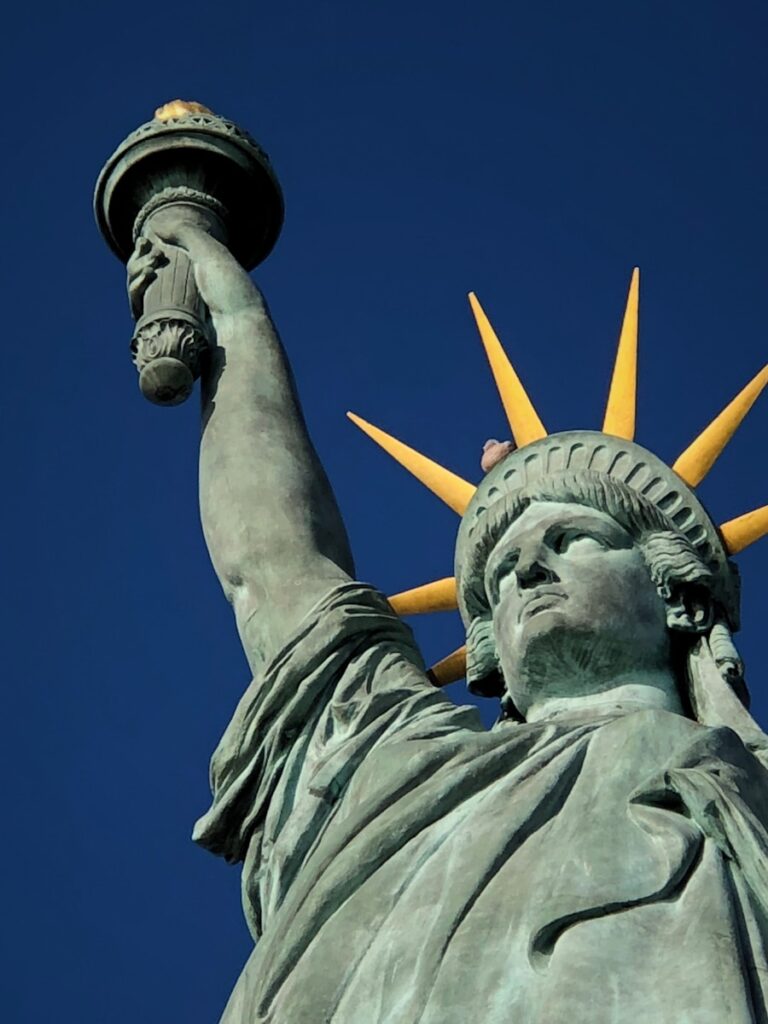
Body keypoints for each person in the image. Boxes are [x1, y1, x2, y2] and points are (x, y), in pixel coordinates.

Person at [130, 226, 768, 1024]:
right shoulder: (399, 774)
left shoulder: (749, 793)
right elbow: (274, 566)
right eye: (502, 571)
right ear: (488, 644)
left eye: (574, 538)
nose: (528, 569)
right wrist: (236, 314)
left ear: (677, 595)